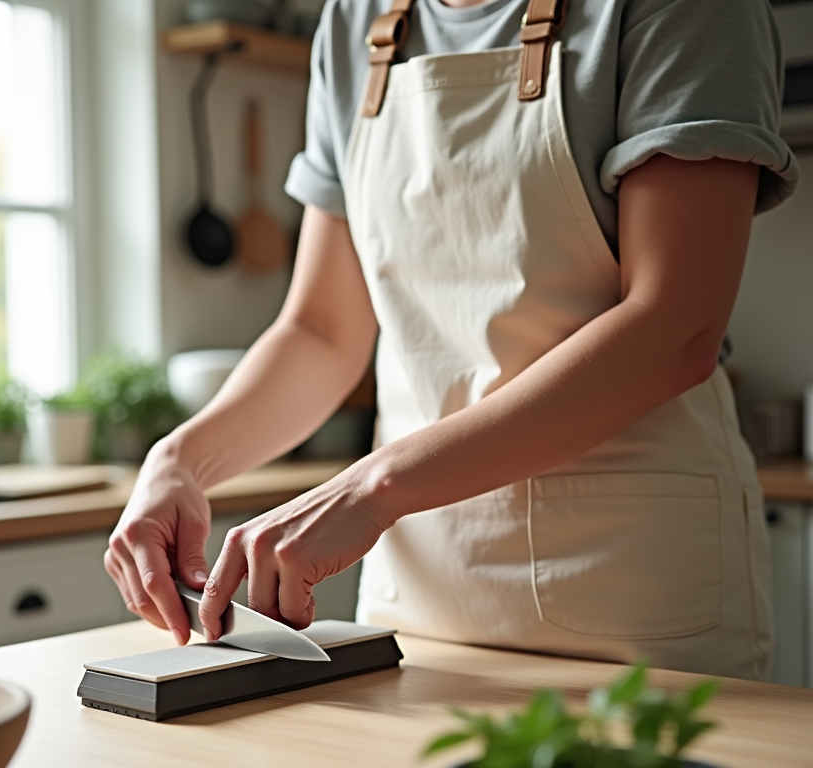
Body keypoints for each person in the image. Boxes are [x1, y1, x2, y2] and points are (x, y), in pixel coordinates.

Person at [105, 0, 800, 681]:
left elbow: (673, 326)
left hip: (633, 599)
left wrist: (373, 487)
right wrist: (180, 461)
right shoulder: (355, 20)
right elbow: (321, 332)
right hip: (417, 602)